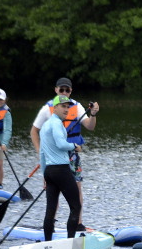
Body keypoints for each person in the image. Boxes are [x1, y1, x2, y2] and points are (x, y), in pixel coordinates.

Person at [30, 77, 99, 228]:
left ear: (71, 91)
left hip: (72, 156)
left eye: (67, 90)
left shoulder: (77, 107)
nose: (64, 93)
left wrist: (93, 114)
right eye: (61, 90)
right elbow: (34, 131)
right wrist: (39, 151)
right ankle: (51, 224)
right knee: (53, 191)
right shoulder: (47, 109)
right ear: (56, 90)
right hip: (54, 156)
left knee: (77, 188)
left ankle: (78, 223)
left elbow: (90, 126)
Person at [38, 95, 81, 241]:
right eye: (63, 106)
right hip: (61, 170)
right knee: (76, 207)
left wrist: (44, 174)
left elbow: (42, 154)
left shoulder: (44, 126)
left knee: (50, 210)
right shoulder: (56, 124)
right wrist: (74, 146)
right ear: (54, 108)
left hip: (49, 171)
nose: (66, 109)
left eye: (68, 107)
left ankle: (47, 244)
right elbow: (61, 145)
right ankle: (70, 242)